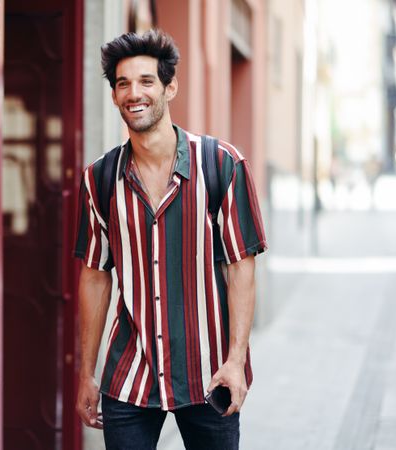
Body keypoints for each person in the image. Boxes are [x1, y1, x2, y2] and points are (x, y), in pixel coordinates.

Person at [73, 29, 267, 450]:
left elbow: (241, 269)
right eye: (122, 83)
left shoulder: (222, 165)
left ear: (169, 87)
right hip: (130, 374)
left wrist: (236, 362)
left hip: (209, 375)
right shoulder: (100, 179)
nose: (133, 93)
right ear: (113, 96)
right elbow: (94, 276)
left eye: (145, 81)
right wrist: (87, 373)